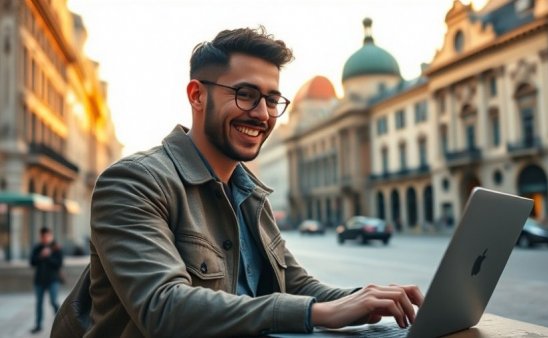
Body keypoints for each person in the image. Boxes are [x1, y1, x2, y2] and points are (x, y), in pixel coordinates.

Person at [51, 26, 423, 337]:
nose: (261, 114)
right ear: (197, 95)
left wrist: (367, 298)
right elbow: (163, 307)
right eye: (245, 95)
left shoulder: (249, 192)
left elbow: (296, 285)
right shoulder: (133, 182)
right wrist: (317, 312)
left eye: (272, 99)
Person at [30, 226, 63, 334]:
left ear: (50, 236)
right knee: (39, 303)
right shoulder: (37, 248)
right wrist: (41, 255)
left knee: (53, 301)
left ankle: (61, 322)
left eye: (47, 236)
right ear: (41, 237)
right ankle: (38, 325)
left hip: (53, 280)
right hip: (39, 281)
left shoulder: (56, 248)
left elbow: (58, 264)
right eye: (43, 236)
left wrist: (48, 256)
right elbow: (32, 262)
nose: (45, 238)